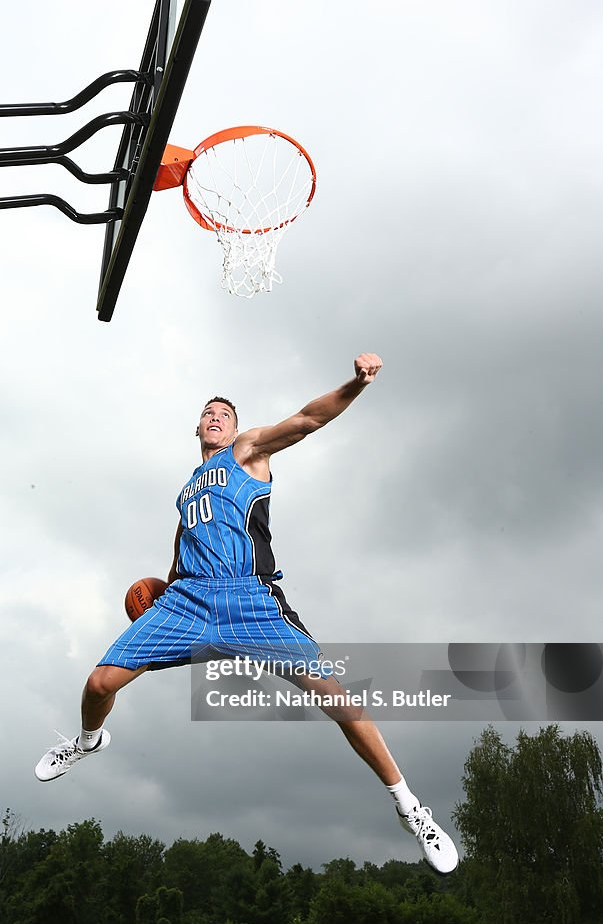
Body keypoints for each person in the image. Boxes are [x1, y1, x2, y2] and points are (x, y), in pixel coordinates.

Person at [35, 353, 459, 874]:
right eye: (208, 412)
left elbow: (308, 419)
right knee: (100, 684)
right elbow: (178, 550)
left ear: (235, 427)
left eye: (224, 413)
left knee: (338, 700)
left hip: (249, 600)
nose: (215, 417)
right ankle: (88, 740)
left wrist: (356, 383)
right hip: (185, 600)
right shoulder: (187, 490)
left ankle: (410, 808)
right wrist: (160, 596)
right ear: (196, 427)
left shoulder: (247, 451)